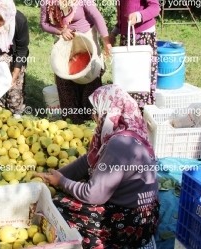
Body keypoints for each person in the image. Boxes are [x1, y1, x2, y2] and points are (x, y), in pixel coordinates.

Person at [36, 84, 159, 248]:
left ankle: (100, 242)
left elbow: (93, 196)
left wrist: (61, 182)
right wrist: (56, 175)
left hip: (130, 224)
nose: (94, 116)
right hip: (148, 215)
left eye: (96, 110)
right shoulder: (130, 129)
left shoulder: (119, 144)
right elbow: (89, 160)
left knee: (56, 208)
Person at [40, 0, 111, 124]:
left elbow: (96, 16)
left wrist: (106, 41)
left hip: (86, 40)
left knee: (90, 80)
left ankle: (91, 121)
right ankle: (72, 121)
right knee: (65, 79)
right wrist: (61, 31)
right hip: (65, 41)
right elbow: (44, 23)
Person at [109, 0, 160, 108]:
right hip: (127, 36)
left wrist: (138, 15)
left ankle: (141, 114)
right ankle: (129, 114)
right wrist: (114, 32)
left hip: (142, 36)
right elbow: (124, 15)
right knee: (126, 77)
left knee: (139, 79)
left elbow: (155, 7)